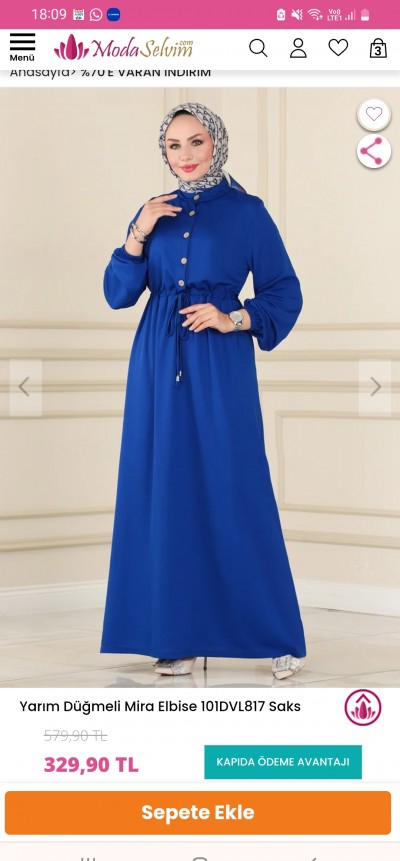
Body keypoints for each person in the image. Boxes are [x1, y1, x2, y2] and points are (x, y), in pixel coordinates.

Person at [100, 101, 306, 680]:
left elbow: (284, 291)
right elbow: (118, 294)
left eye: (196, 142)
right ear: (163, 152)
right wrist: (138, 232)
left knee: (235, 484)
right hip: (156, 364)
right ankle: (177, 636)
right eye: (174, 145)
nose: (185, 155)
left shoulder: (247, 212)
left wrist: (232, 317)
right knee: (166, 491)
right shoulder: (153, 212)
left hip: (219, 364)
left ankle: (276, 635)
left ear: (216, 143)